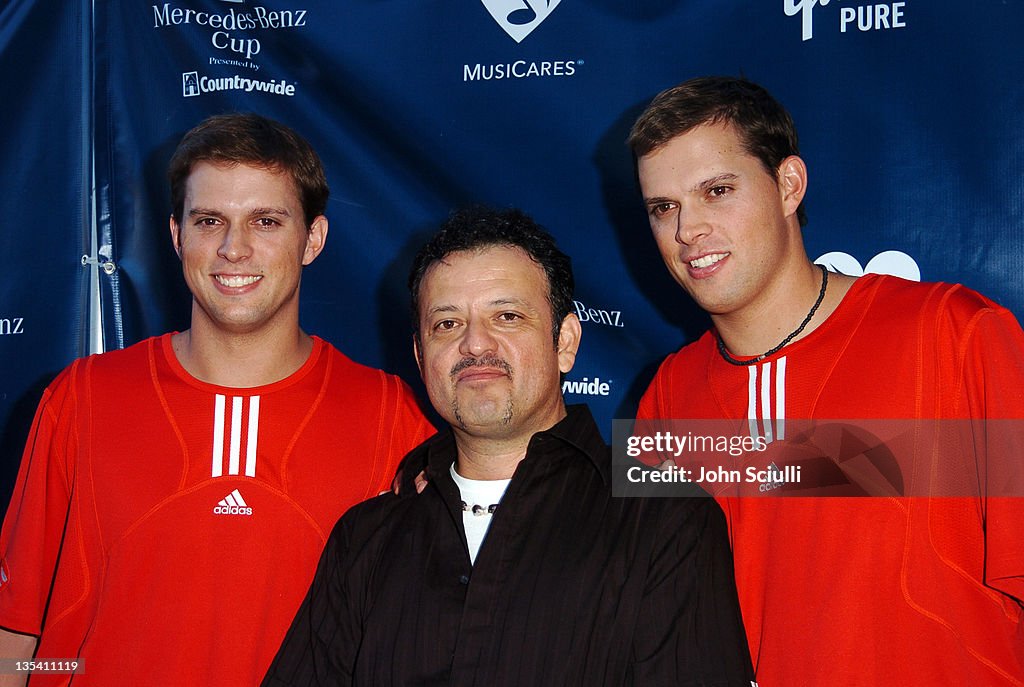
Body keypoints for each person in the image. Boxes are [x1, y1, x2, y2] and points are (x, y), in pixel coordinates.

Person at [0, 113, 434, 686]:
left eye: (266, 221)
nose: (234, 248)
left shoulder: (388, 415)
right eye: (210, 221)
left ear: (313, 239)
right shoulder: (80, 399)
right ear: (178, 235)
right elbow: (18, 633)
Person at [629, 76, 1024, 684]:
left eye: (717, 190)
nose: (688, 230)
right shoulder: (668, 395)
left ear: (789, 185)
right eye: (664, 207)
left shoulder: (956, 335)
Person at [262, 206, 755, 686]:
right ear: (419, 355)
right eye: (447, 324)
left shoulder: (666, 520)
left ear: (565, 343)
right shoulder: (365, 541)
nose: (476, 344)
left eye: (508, 317)